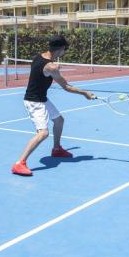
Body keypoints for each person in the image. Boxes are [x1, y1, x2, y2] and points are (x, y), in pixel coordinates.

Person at [11, 35, 94, 176]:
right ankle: (19, 163)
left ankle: (56, 149)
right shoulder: (51, 66)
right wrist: (85, 93)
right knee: (43, 133)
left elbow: (46, 69)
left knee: (59, 120)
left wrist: (54, 67)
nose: (65, 51)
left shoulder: (39, 57)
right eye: (65, 49)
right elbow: (66, 86)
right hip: (34, 101)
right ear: (60, 49)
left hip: (41, 97)